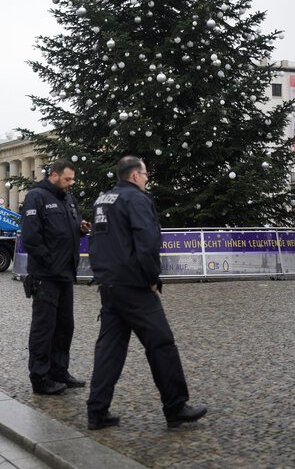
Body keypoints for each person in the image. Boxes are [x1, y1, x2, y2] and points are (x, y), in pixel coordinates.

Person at [86, 156, 207, 430]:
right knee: (161, 344)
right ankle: (176, 407)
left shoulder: (102, 199)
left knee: (109, 351)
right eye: (145, 174)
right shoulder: (137, 199)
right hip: (134, 286)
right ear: (134, 176)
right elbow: (148, 241)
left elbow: (96, 240)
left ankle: (97, 410)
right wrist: (152, 277)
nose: (147, 178)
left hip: (109, 285)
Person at [20, 159, 90, 396]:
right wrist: (49, 261)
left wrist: (81, 227)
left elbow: (72, 223)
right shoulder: (36, 197)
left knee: (64, 327)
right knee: (44, 328)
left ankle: (60, 371)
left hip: (65, 274)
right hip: (46, 275)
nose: (71, 183)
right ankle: (40, 377)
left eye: (72, 179)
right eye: (67, 179)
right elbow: (31, 238)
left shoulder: (68, 198)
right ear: (54, 176)